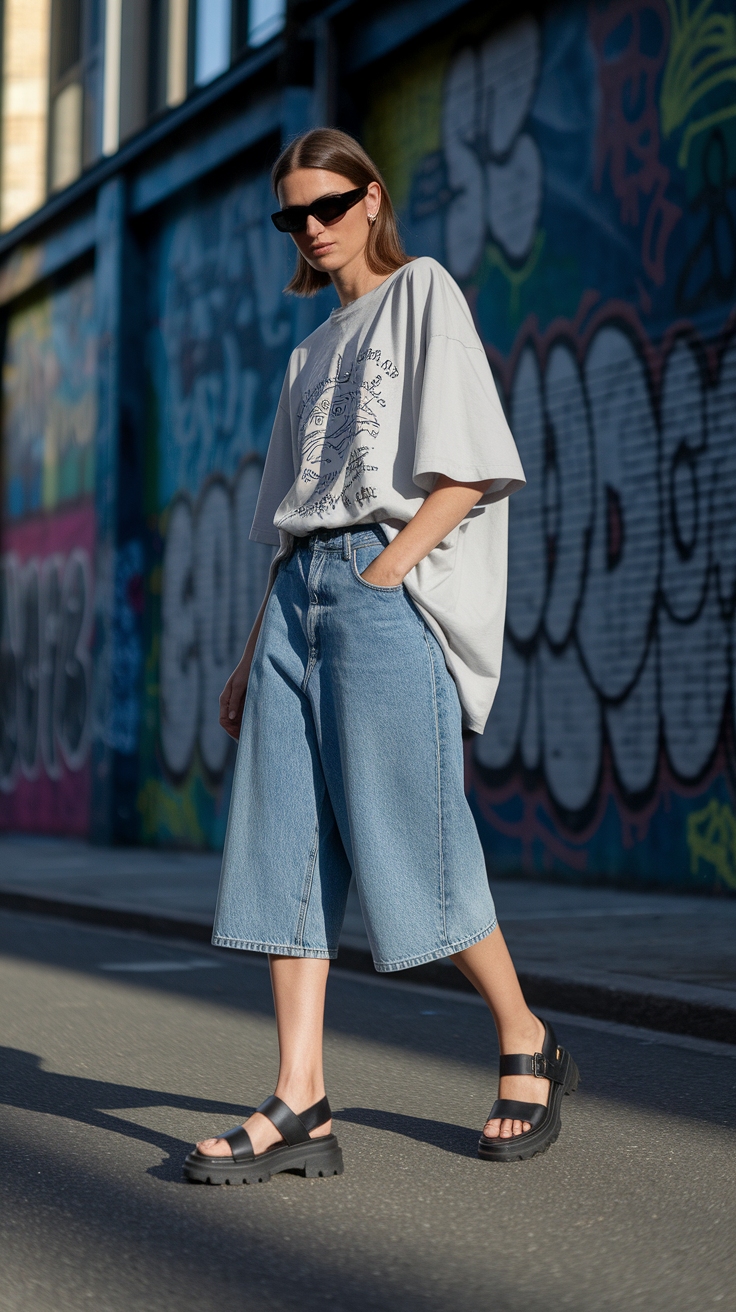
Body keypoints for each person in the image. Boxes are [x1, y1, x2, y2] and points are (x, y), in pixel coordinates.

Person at [183, 128, 578, 1185]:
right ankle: (300, 1094)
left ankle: (524, 1033)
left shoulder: (424, 293)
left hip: (373, 585)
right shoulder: (309, 351)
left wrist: (385, 572)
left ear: (369, 198)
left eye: (325, 205)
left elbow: (473, 468)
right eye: (291, 216)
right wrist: (248, 651)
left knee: (415, 837)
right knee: (285, 855)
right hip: (295, 595)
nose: (310, 229)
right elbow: (282, 522)